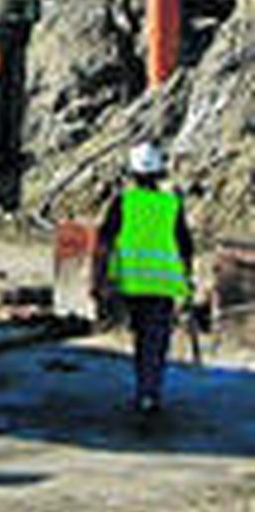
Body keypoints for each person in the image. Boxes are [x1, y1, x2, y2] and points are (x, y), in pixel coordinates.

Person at [92, 140, 195, 419]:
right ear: (160, 172)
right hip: (162, 286)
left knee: (141, 337)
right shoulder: (171, 205)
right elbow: (186, 247)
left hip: (128, 284)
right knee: (155, 340)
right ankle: (149, 392)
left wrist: (98, 281)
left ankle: (144, 388)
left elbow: (103, 243)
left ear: (132, 173)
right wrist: (188, 280)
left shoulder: (123, 202)